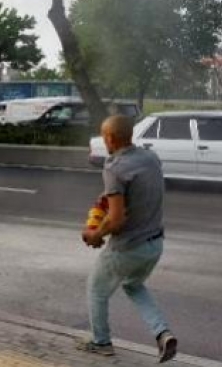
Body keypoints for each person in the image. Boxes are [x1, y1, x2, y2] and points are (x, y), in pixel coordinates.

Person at [77, 115, 177, 363]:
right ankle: (162, 333)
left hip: (128, 248)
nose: (103, 140)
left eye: (103, 135)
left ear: (110, 138)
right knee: (133, 285)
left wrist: (95, 234)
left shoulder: (115, 168)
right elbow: (129, 194)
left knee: (96, 291)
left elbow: (117, 219)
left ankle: (101, 343)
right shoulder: (150, 158)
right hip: (154, 244)